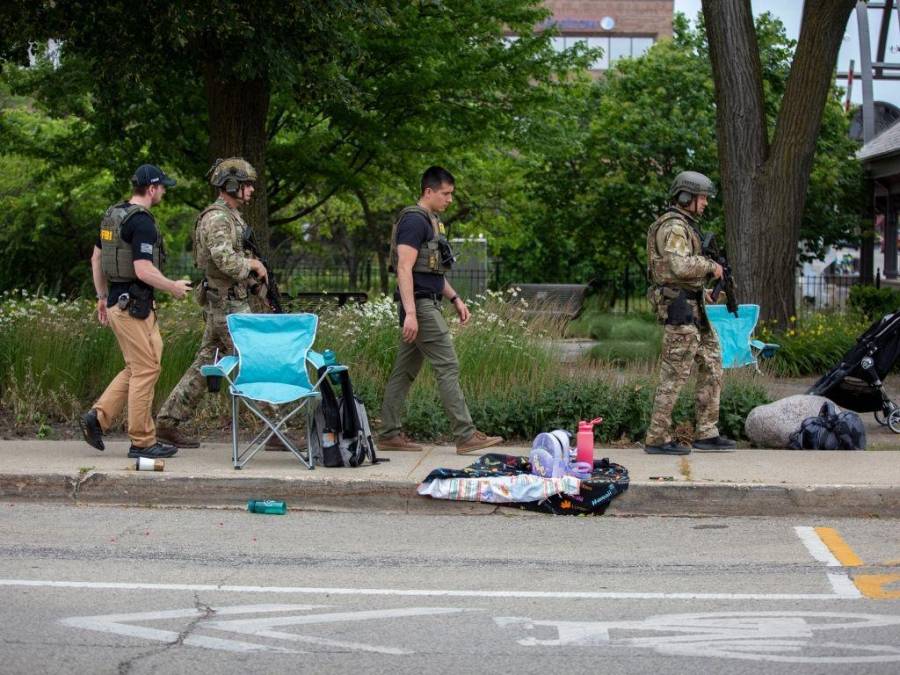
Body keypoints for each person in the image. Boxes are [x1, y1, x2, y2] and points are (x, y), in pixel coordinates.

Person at [379, 166, 502, 454]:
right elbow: (404, 267)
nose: (449, 200)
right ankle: (465, 435)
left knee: (404, 371)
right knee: (448, 365)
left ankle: (389, 433)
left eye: (451, 194)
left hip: (427, 301)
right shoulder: (414, 220)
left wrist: (455, 298)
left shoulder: (432, 222)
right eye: (445, 194)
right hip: (420, 306)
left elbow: (431, 272)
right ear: (428, 191)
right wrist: (410, 313)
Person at [154, 157, 270, 447]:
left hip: (228, 301)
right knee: (253, 360)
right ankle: (277, 428)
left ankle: (168, 422)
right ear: (231, 185)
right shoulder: (218, 218)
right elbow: (225, 260)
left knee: (206, 363)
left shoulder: (231, 216)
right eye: (247, 185)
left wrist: (256, 285)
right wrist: (253, 265)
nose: (252, 190)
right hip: (227, 306)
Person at [80, 164, 191, 459]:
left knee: (144, 361)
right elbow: (142, 269)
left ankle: (98, 417)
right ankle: (142, 441)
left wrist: (102, 296)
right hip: (133, 307)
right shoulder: (141, 222)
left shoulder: (113, 215)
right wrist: (172, 287)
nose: (164, 191)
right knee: (146, 369)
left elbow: (96, 258)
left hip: (121, 302)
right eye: (163, 187)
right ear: (152, 188)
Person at [644, 171, 736, 455]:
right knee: (675, 374)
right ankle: (657, 437)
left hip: (694, 307)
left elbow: (682, 274)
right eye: (702, 197)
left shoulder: (686, 226)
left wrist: (703, 290)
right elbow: (679, 267)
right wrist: (710, 267)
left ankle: (707, 432)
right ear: (686, 197)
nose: (705, 203)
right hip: (679, 310)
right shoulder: (673, 228)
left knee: (712, 363)